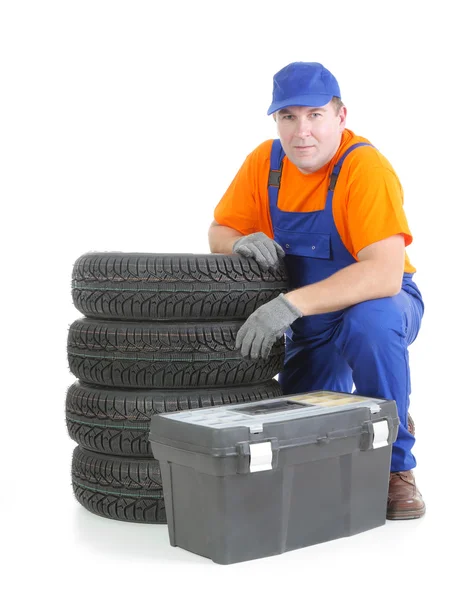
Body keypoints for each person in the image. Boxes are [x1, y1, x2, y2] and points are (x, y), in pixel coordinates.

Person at [208, 61, 425, 520]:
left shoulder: (364, 167)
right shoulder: (265, 164)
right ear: (275, 120)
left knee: (371, 324)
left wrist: (287, 305)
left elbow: (383, 275)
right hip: (311, 318)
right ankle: (391, 407)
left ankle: (396, 466)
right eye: (288, 117)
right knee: (300, 429)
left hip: (380, 302)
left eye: (315, 115)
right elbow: (219, 230)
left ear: (340, 116)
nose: (301, 131)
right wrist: (238, 241)